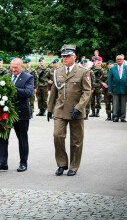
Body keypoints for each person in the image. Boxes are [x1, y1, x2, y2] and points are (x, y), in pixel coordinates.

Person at [47, 45, 91, 176]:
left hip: (76, 110)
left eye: (67, 56)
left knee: (76, 141)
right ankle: (62, 164)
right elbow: (54, 91)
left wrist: (79, 107)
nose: (64, 58)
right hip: (60, 110)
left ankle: (73, 166)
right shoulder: (58, 71)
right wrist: (49, 109)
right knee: (57, 136)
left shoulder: (83, 71)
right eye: (63, 56)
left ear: (74, 57)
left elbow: (87, 92)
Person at [0, 58, 34, 172]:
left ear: (22, 67)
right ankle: (2, 162)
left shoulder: (28, 77)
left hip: (21, 113)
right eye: (12, 67)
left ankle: (23, 163)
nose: (13, 70)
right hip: (6, 113)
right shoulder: (7, 77)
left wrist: (12, 89)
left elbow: (28, 93)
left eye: (16, 68)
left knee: (22, 139)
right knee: (3, 137)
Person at [108, 55, 127, 122]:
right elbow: (110, 79)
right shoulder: (112, 69)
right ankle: (115, 116)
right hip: (115, 88)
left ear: (123, 60)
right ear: (116, 61)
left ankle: (123, 117)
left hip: (125, 88)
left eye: (120, 59)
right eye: (118, 59)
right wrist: (110, 89)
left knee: (123, 104)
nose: (119, 60)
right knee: (115, 103)